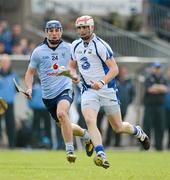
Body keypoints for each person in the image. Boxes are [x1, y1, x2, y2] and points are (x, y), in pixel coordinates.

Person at [69, 15, 150, 169]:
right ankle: (101, 154)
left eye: (85, 27)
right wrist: (73, 75)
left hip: (107, 90)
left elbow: (115, 69)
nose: (82, 30)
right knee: (89, 120)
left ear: (92, 27)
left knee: (118, 127)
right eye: (79, 27)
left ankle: (138, 132)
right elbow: (72, 65)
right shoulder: (75, 45)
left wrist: (101, 82)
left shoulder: (100, 45)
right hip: (88, 90)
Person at [24, 20, 93, 163]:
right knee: (64, 123)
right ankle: (85, 135)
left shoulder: (70, 48)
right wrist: (29, 88)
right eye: (51, 31)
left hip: (65, 89)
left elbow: (79, 67)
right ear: (46, 32)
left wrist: (74, 76)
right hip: (48, 96)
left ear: (61, 31)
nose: (54, 33)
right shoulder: (38, 51)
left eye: (57, 30)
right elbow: (30, 73)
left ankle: (69, 150)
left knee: (62, 113)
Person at [143, 62, 168, 150]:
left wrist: (156, 87)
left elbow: (166, 89)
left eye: (158, 68)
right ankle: (145, 146)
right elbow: (150, 90)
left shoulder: (163, 78)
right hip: (149, 106)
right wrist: (159, 88)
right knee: (147, 126)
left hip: (160, 106)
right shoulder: (148, 79)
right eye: (155, 68)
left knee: (160, 126)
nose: (157, 70)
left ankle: (159, 146)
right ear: (152, 69)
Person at [27, 77, 52, 149]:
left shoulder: (48, 82)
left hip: (46, 109)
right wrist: (31, 105)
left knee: (47, 127)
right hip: (36, 109)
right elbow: (29, 96)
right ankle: (35, 144)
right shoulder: (34, 82)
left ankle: (48, 144)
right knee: (35, 127)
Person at [0, 54, 18, 148]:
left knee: (10, 124)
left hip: (10, 103)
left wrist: (11, 96)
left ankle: (12, 145)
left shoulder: (13, 75)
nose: (5, 64)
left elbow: (17, 88)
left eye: (7, 62)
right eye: (3, 62)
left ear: (9, 63)